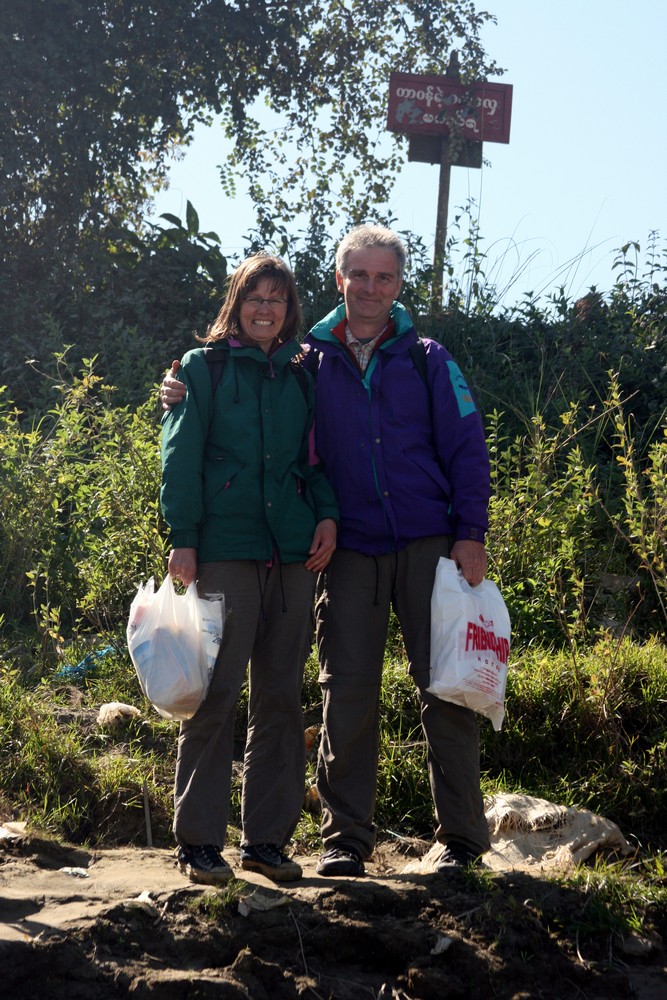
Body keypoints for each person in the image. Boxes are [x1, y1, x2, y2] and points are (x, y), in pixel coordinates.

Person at [161, 225, 491, 878]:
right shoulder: (306, 358)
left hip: (424, 543)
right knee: (345, 694)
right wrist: (174, 390)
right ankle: (344, 840)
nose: (370, 288)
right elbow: (213, 420)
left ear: (399, 285)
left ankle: (460, 842)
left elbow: (466, 446)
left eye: (384, 277)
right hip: (341, 553)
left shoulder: (428, 358)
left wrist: (470, 532)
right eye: (358, 276)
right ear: (339, 281)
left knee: (446, 691)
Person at [161, 253, 338, 886]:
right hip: (226, 552)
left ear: (291, 312)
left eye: (278, 299)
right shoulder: (200, 371)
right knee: (215, 696)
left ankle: (265, 842)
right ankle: (199, 843)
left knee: (281, 701)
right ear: (235, 303)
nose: (266, 308)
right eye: (254, 297)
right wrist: (183, 538)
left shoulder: (300, 375)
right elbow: (178, 458)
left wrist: (325, 516)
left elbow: (314, 462)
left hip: (291, 557)